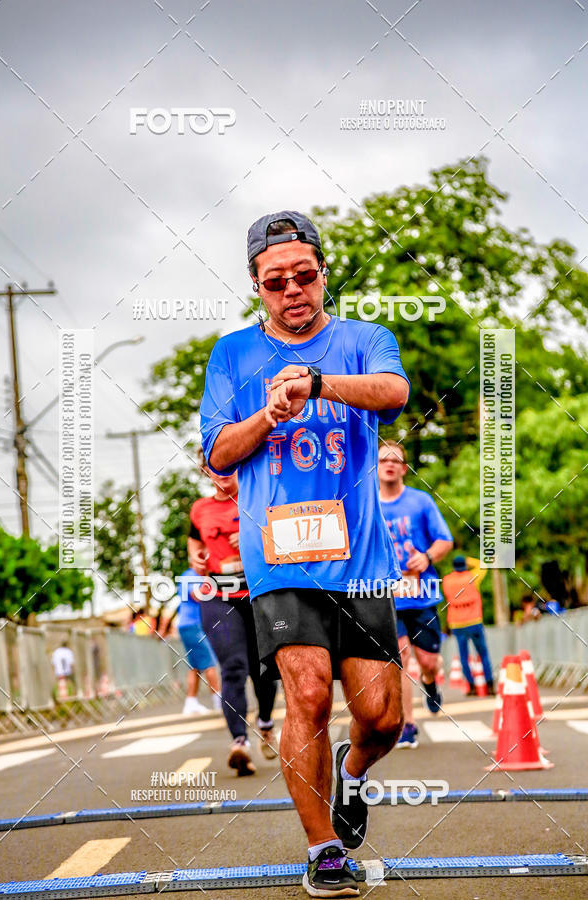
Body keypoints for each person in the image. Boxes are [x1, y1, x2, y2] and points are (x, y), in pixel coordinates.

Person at [200, 211, 410, 897]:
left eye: (304, 276)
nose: (291, 290)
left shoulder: (364, 339)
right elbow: (217, 455)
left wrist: (315, 383)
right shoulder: (231, 354)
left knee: (383, 716)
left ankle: (354, 770)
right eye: (274, 281)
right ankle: (322, 850)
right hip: (279, 559)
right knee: (309, 695)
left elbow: (394, 392)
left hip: (362, 562)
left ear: (323, 272)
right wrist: (267, 415)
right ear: (256, 287)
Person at [189, 455, 278, 776]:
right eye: (214, 466)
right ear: (205, 471)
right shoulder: (200, 509)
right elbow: (194, 538)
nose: (222, 472)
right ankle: (239, 742)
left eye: (228, 464)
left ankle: (265, 722)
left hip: (259, 592)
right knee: (233, 667)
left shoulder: (259, 496)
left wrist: (257, 535)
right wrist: (194, 556)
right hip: (218, 595)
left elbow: (287, 535)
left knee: (264, 668)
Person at [378, 440, 453, 749]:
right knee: (400, 658)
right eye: (384, 460)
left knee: (428, 659)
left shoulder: (420, 502)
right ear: (376, 468)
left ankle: (431, 680)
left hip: (422, 593)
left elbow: (445, 540)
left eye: (396, 460)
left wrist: (426, 557)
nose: (390, 464)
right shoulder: (368, 505)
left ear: (404, 468)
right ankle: (407, 724)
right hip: (387, 596)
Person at [442, 555, 494, 695]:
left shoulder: (447, 580)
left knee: (464, 656)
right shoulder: (471, 577)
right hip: (474, 621)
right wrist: (469, 560)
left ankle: (471, 687)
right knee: (483, 654)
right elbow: (483, 564)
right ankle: (489, 685)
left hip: (457, 624)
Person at [176, 566, 222, 715]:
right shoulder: (189, 575)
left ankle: (191, 702)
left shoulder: (199, 577)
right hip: (192, 626)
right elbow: (197, 595)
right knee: (210, 663)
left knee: (195, 665)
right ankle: (220, 701)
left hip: (192, 625)